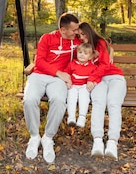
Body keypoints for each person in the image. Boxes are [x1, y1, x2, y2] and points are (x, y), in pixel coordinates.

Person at [23, 13, 82, 164]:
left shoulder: (77, 41)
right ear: (63, 30)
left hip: (58, 80)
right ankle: (34, 137)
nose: (77, 32)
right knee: (29, 99)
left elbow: (101, 44)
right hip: (39, 75)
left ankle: (48, 138)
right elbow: (39, 61)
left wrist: (111, 52)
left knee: (58, 100)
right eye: (74, 30)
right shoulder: (47, 38)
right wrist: (58, 72)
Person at [78, 22, 127, 160]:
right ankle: (98, 141)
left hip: (114, 77)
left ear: (89, 32)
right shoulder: (82, 45)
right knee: (99, 103)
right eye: (79, 35)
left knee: (113, 103)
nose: (81, 37)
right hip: (98, 81)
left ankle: (112, 142)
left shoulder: (99, 42)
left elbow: (105, 64)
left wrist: (91, 78)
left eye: (83, 34)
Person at [64, 42, 96, 128]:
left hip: (84, 86)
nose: (82, 55)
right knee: (71, 97)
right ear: (77, 53)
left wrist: (91, 81)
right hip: (73, 85)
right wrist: (68, 81)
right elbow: (66, 73)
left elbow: (95, 76)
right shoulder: (72, 64)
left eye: (85, 53)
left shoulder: (92, 67)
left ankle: (82, 117)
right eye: (80, 52)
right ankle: (71, 117)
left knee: (84, 98)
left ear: (90, 57)